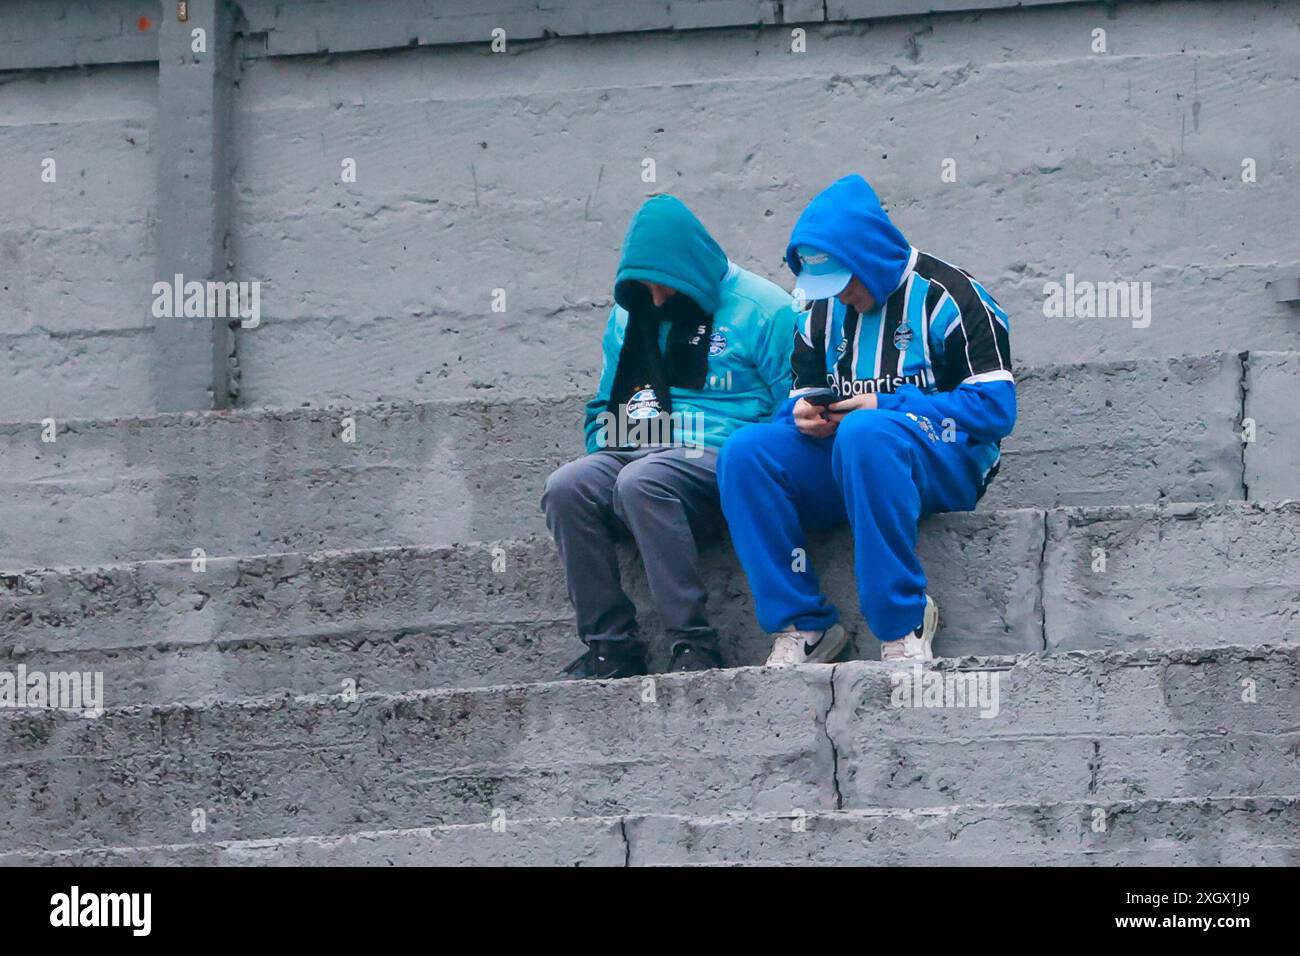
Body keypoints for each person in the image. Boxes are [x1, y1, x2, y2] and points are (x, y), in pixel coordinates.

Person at [717, 174, 1016, 666]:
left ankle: (904, 619)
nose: (841, 296)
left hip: (945, 463)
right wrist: (799, 416)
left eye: (846, 282)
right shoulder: (818, 309)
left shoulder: (953, 297)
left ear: (871, 256)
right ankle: (804, 625)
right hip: (851, 459)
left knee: (867, 431)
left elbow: (995, 411)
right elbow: (802, 395)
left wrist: (888, 407)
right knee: (746, 452)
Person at [543, 195, 798, 679]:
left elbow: (795, 407)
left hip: (726, 457)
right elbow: (603, 406)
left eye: (667, 290)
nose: (657, 301)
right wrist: (610, 441)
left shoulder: (767, 310)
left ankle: (694, 643)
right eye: (646, 290)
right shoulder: (630, 313)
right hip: (641, 445)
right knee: (567, 486)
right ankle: (610, 647)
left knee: (643, 479)